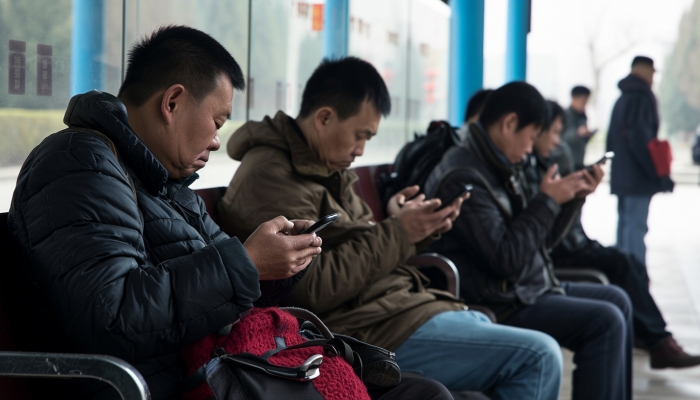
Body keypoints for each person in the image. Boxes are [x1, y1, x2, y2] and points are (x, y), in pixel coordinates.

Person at [6, 26, 452, 400]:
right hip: (165, 384)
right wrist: (248, 263)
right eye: (217, 121)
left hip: (221, 369)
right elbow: (114, 316)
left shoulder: (165, 182)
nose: (218, 141)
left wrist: (279, 263)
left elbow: (227, 270)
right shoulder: (79, 163)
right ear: (172, 102)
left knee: (425, 393)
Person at [218, 57, 563, 399]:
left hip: (398, 309)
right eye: (360, 135)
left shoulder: (326, 167)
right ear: (324, 118)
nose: (361, 149)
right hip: (365, 331)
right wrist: (400, 231)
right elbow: (312, 288)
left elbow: (360, 242)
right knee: (538, 356)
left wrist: (410, 225)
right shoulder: (271, 177)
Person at [425, 82, 633, 400]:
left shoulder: (498, 163)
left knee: (618, 300)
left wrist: (571, 198)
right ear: (509, 124)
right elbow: (504, 259)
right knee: (605, 321)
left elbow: (540, 241)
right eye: (532, 136)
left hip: (526, 285)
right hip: (502, 298)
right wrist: (547, 201)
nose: (531, 147)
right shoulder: (464, 177)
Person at [545, 101, 700, 369]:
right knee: (623, 264)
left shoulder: (542, 161)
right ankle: (657, 341)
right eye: (555, 132)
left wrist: (575, 196)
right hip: (560, 252)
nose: (558, 141)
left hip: (569, 243)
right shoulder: (540, 165)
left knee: (629, 261)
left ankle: (651, 336)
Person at [607, 56, 674, 266]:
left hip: (622, 175)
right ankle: (635, 275)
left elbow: (611, 141)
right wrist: (657, 173)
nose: (653, 78)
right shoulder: (641, 98)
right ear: (642, 71)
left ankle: (623, 272)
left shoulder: (622, 99)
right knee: (636, 227)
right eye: (652, 72)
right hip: (638, 177)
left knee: (625, 225)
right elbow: (641, 139)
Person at [560, 86, 593, 169]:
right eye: (583, 102)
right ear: (574, 98)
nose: (585, 105)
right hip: (566, 162)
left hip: (579, 160)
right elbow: (561, 139)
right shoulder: (565, 115)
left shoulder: (583, 116)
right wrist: (578, 133)